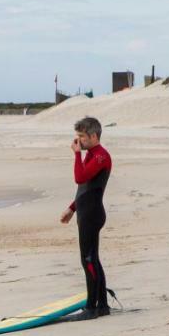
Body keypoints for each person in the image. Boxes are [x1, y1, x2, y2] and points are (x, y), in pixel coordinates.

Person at [60, 117, 112, 319]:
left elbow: (79, 178)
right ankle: (102, 306)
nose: (79, 140)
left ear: (93, 135)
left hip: (92, 213)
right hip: (85, 210)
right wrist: (72, 208)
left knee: (88, 259)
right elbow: (85, 187)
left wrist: (76, 155)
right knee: (92, 259)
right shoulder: (91, 154)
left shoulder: (100, 157)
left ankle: (92, 308)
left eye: (82, 136)